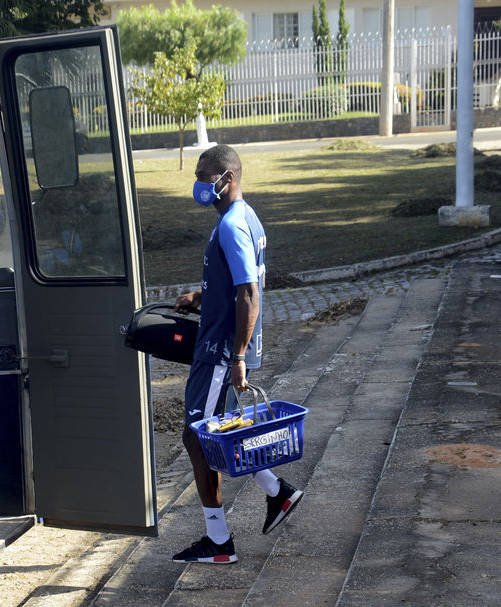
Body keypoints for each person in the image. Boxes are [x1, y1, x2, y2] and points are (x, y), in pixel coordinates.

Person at [171, 144, 303, 564]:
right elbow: (234, 283)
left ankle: (219, 541)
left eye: (204, 175)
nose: (198, 183)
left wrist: (238, 356)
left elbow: (249, 292)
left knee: (198, 438)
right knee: (223, 434)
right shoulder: (245, 217)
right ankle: (277, 493)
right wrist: (200, 296)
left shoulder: (230, 225)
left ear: (227, 178)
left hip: (219, 353)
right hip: (222, 345)